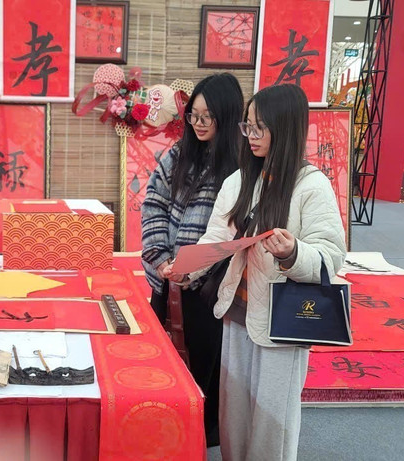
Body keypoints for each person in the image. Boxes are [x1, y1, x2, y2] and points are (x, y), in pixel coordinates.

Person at [174, 84, 346, 461]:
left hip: (282, 322)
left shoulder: (311, 186)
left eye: (259, 128)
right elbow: (216, 237)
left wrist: (293, 252)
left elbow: (331, 255)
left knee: (272, 418)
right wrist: (187, 268)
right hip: (237, 314)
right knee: (234, 412)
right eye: (246, 127)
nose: (250, 137)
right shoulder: (239, 180)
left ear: (284, 130)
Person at [140, 72, 244, 447]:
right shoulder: (177, 155)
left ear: (228, 117)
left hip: (208, 289)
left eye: (207, 117)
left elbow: (231, 232)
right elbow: (153, 205)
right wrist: (162, 260)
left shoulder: (241, 167)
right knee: (161, 364)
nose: (198, 125)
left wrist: (193, 270)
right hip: (165, 278)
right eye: (193, 116)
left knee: (202, 365)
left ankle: (197, 437)